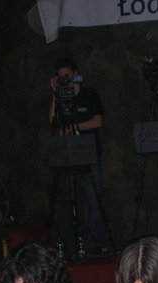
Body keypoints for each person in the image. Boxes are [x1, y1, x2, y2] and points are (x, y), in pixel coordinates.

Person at [49, 57, 115, 254]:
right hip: (69, 157)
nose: (65, 80)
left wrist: (73, 127)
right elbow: (52, 120)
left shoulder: (89, 94)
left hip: (89, 155)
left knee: (94, 202)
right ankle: (79, 245)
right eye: (60, 77)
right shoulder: (61, 97)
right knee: (73, 201)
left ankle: (103, 244)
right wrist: (54, 94)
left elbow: (97, 121)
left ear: (76, 75)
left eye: (67, 76)